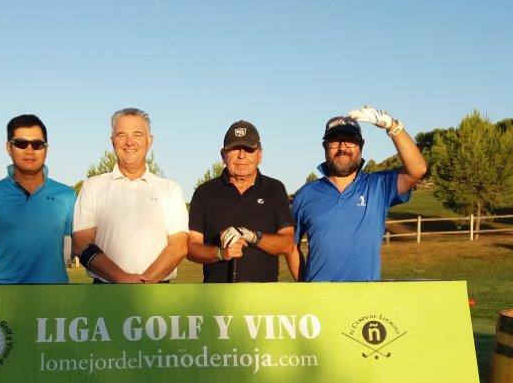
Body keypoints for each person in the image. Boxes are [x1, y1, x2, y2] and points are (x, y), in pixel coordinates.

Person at [288, 106, 427, 282]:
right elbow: (290, 245)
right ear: (325, 147)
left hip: (365, 299)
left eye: (350, 141)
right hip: (319, 300)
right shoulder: (306, 194)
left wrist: (393, 127)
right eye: (334, 141)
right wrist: (304, 287)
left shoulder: (378, 186)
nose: (342, 147)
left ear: (361, 146)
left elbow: (418, 170)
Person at [73, 108, 188, 283]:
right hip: (105, 293)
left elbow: (178, 246)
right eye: (121, 135)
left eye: (137, 135)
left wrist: (144, 282)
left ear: (150, 141)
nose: (129, 142)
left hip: (157, 293)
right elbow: (82, 245)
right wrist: (123, 279)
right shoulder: (92, 187)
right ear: (112, 141)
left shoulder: (169, 189)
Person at [0, 114, 77, 284]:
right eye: (21, 143)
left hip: (54, 295)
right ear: (8, 147)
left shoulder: (66, 195)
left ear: (46, 149)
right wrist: (5, 281)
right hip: (6, 297)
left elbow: (67, 250)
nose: (29, 150)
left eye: (37, 144)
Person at [187, 120, 294, 282]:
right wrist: (220, 253)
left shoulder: (275, 189)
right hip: (216, 300)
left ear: (260, 155)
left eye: (249, 149)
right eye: (234, 149)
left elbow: (287, 243)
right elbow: (191, 248)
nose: (242, 155)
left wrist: (252, 236)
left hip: (265, 299)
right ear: (223, 155)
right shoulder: (204, 192)